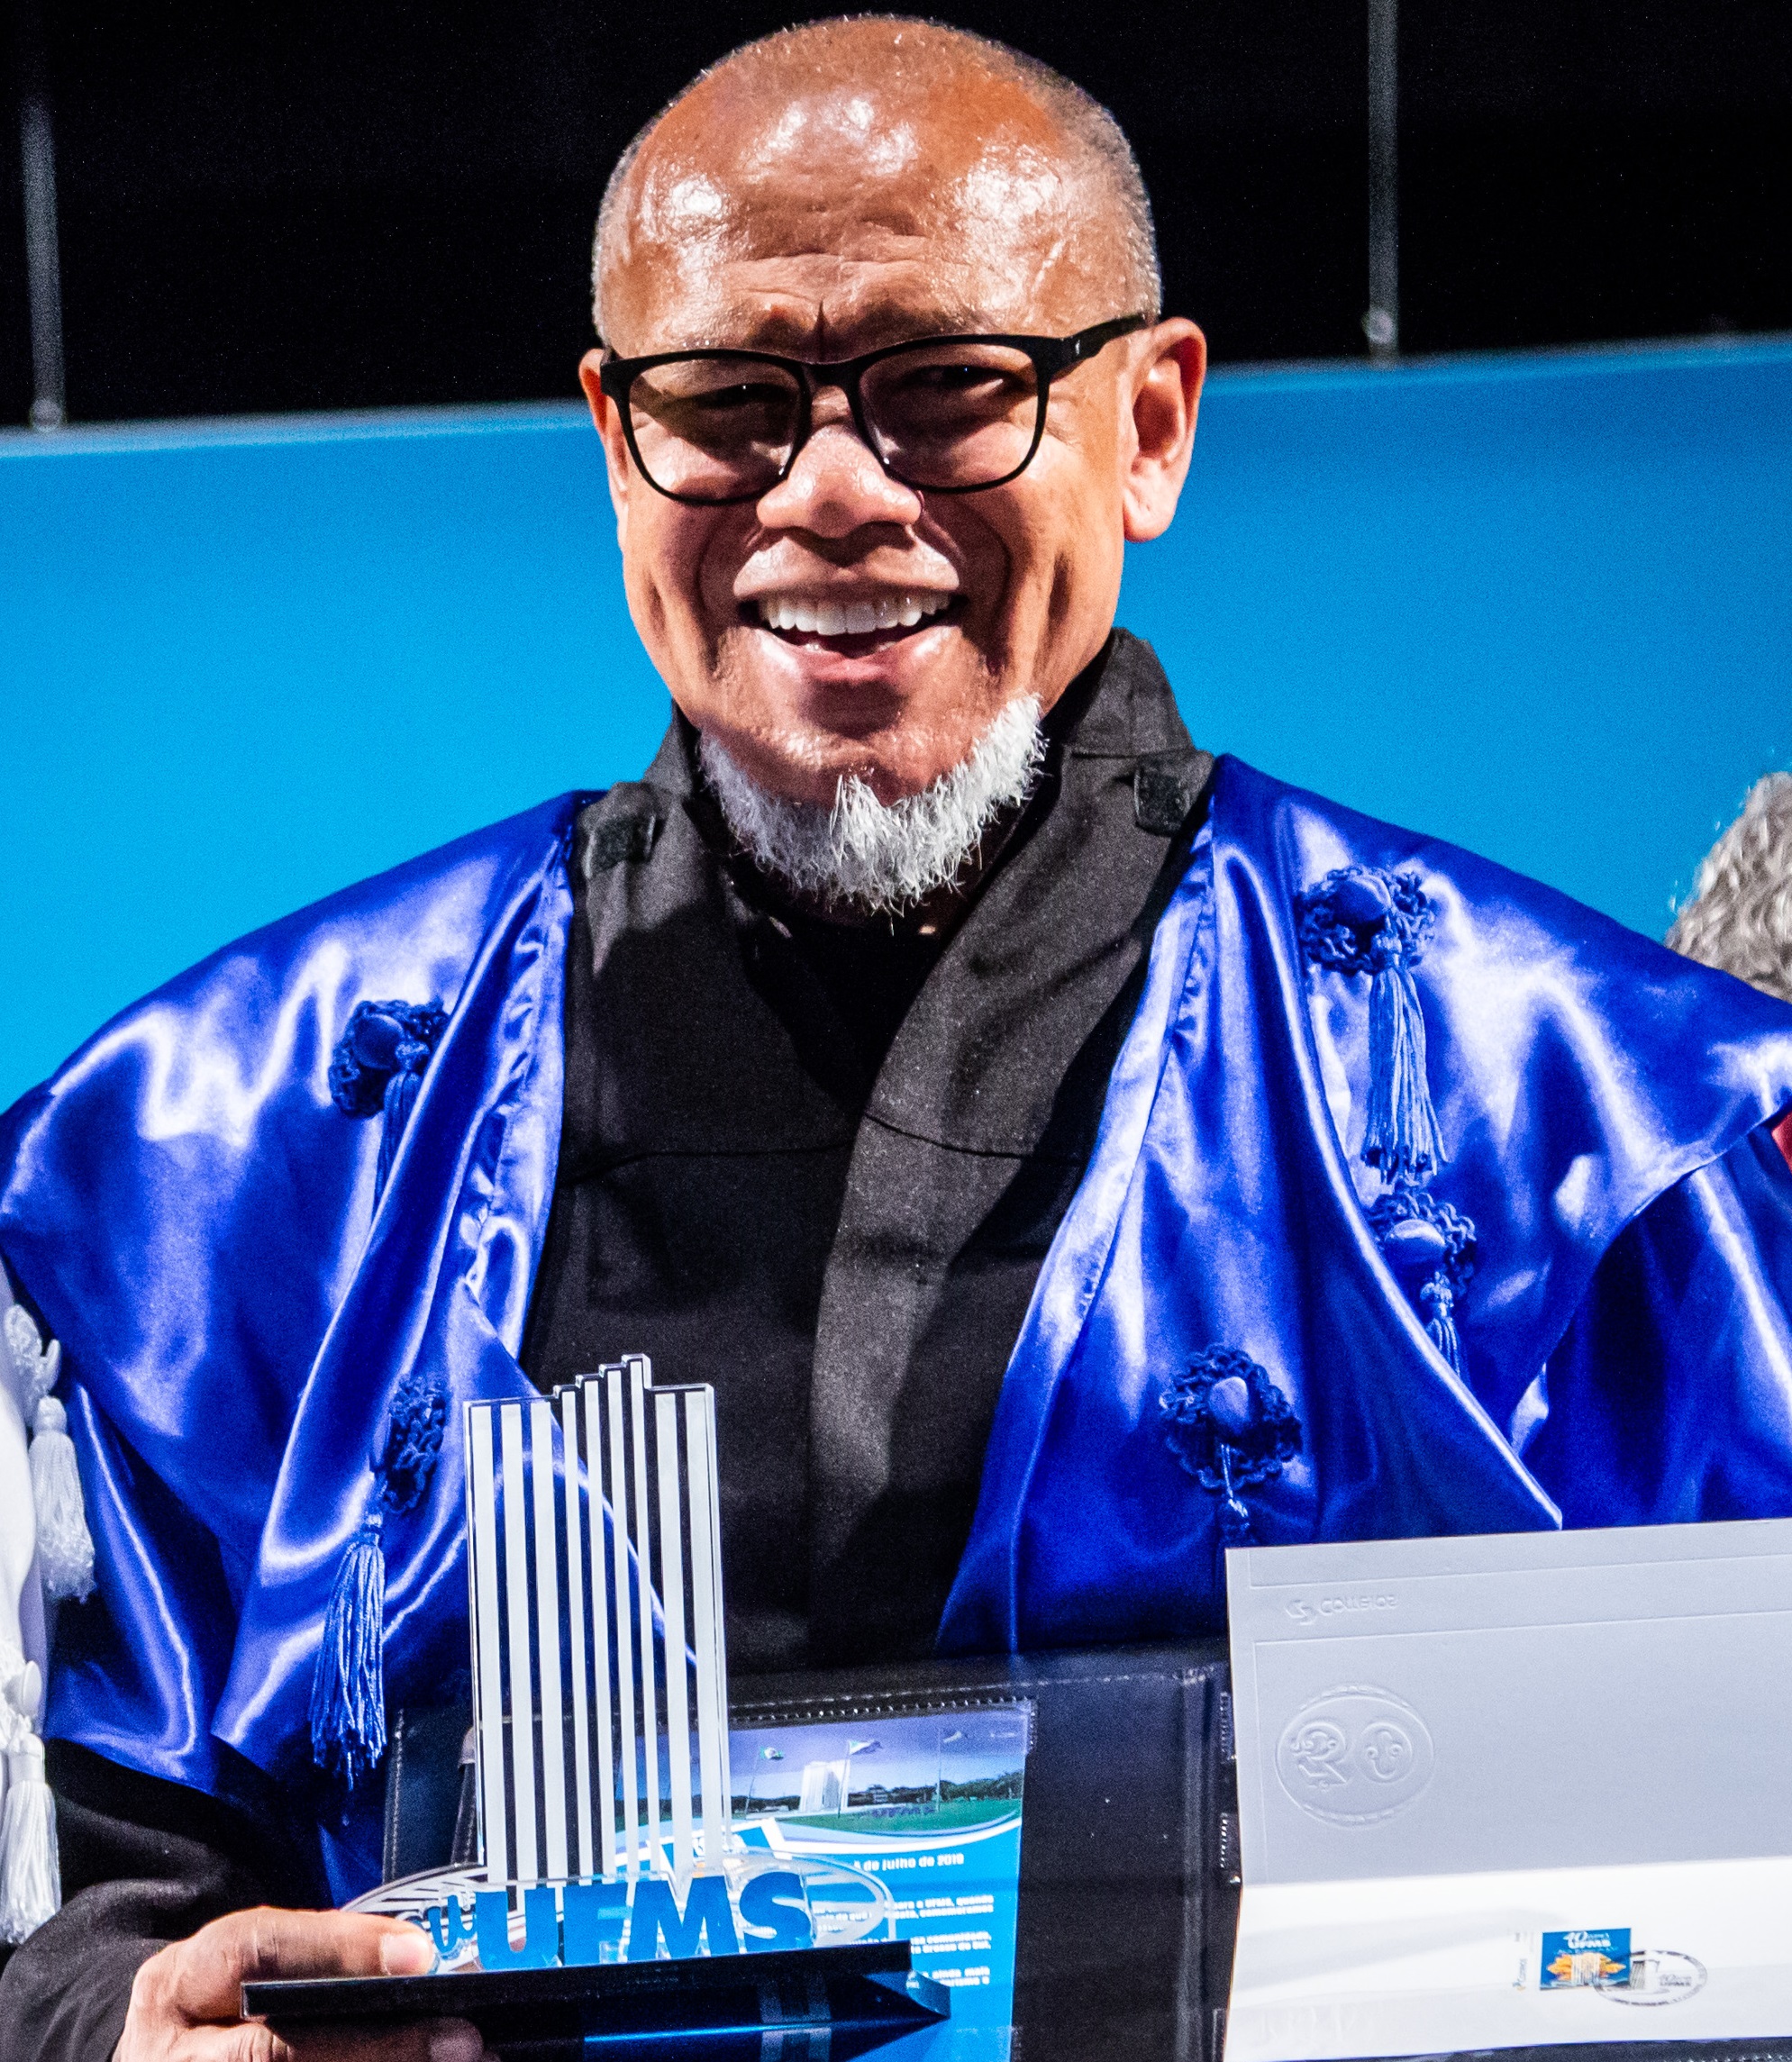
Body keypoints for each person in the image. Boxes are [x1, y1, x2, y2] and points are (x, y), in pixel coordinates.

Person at [4, 17, 1792, 2059]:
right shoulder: (225, 1149)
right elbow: (88, 1900)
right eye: (726, 402)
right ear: (616, 442)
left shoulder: (1575, 1130)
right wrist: (132, 2016)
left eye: (947, 386)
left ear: (1148, 423)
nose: (832, 492)